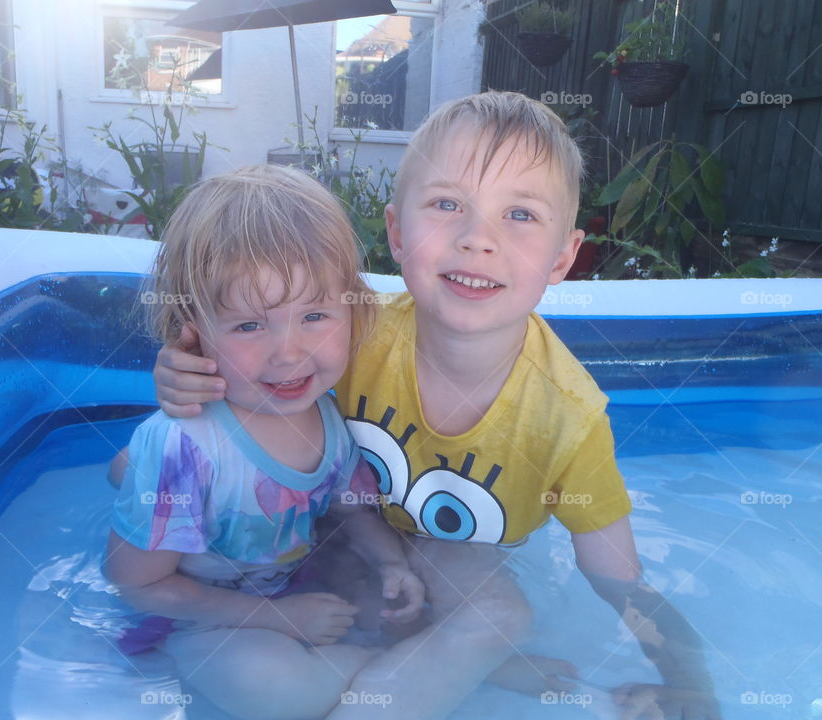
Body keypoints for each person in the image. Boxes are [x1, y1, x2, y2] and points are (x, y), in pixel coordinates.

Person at [150, 92, 721, 720]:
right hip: (321, 548)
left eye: (520, 214)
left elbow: (620, 579)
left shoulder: (567, 418)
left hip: (451, 573)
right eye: (447, 204)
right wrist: (183, 376)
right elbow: (248, 367)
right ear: (397, 231)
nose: (478, 239)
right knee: (267, 685)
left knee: (500, 613)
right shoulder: (349, 334)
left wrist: (689, 681)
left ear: (563, 257)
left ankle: (455, 661)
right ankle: (462, 667)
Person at [104, 164, 426, 720]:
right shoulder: (184, 447)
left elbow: (351, 510)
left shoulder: (328, 415)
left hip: (293, 585)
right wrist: (280, 619)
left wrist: (391, 562)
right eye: (250, 325)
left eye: (316, 315)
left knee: (418, 604)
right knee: (273, 689)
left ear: (353, 309)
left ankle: (402, 660)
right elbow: (137, 586)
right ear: (192, 327)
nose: (290, 353)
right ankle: (412, 670)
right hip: (199, 616)